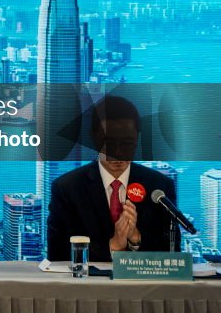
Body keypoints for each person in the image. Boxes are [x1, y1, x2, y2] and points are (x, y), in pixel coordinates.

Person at [47, 95, 178, 262]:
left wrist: (136, 239)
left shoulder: (159, 187)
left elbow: (173, 253)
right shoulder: (67, 188)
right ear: (94, 139)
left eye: (127, 143)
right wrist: (113, 246)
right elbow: (57, 253)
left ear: (137, 139)